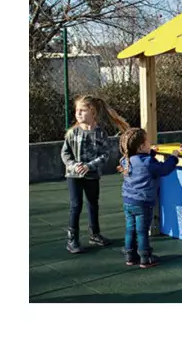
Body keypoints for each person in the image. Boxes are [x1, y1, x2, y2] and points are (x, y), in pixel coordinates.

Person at [61, 94, 129, 254]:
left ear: (92, 112)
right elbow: (65, 153)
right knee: (75, 205)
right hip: (74, 176)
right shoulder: (72, 133)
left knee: (93, 203)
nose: (78, 113)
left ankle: (95, 234)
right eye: (77, 110)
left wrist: (89, 166)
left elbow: (105, 154)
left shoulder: (100, 133)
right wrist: (74, 165)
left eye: (82, 110)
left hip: (92, 176)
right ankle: (72, 240)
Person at [118, 127, 179, 268]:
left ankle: (130, 255)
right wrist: (174, 157)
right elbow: (164, 169)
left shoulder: (125, 160)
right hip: (143, 202)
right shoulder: (148, 162)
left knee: (130, 228)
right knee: (142, 230)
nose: (149, 144)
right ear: (140, 147)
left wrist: (151, 151)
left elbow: (140, 158)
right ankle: (145, 257)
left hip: (128, 200)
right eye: (147, 143)